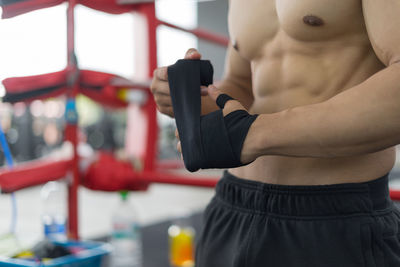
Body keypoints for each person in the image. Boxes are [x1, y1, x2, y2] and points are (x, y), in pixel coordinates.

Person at [151, 0, 400, 266]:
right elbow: (242, 84)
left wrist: (253, 134)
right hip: (232, 204)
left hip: (333, 214)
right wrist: (189, 101)